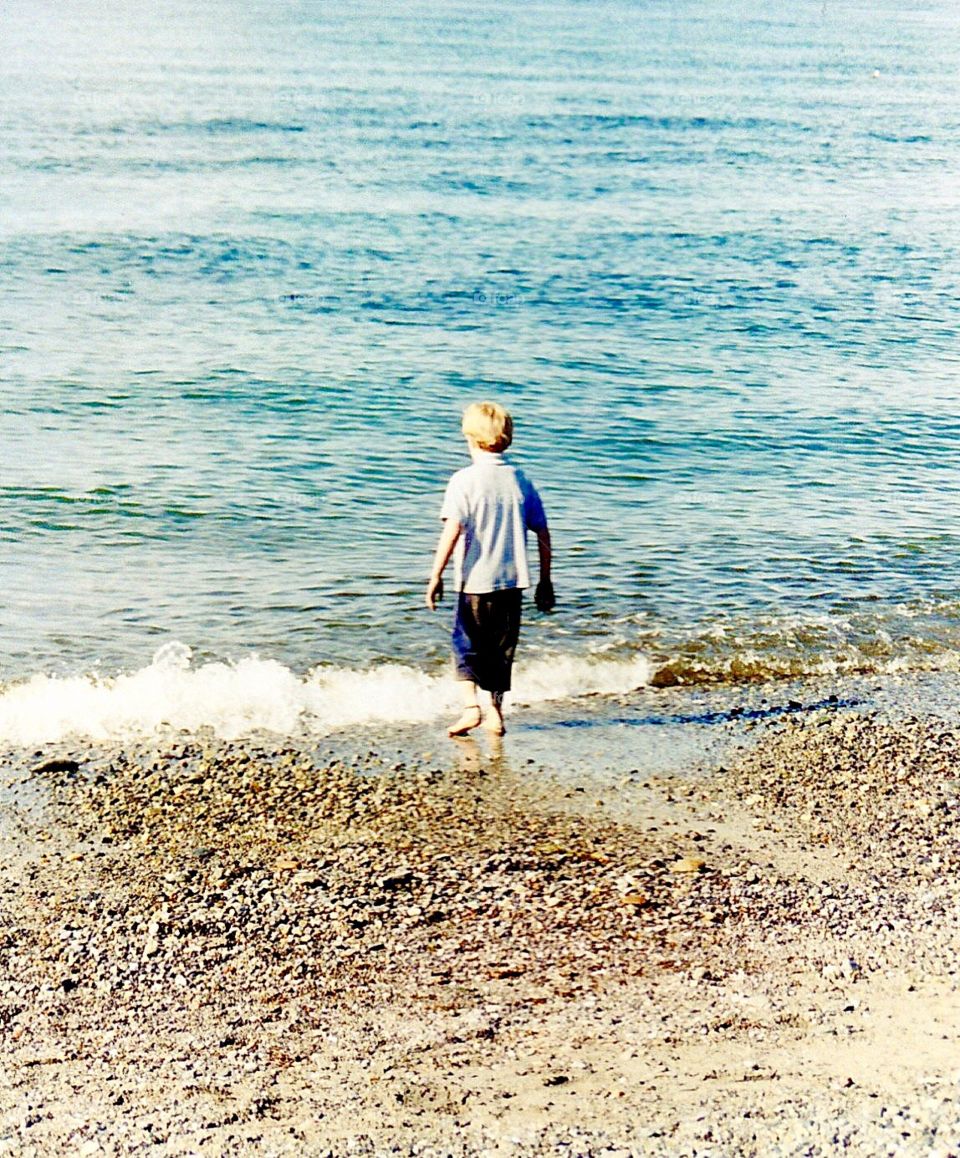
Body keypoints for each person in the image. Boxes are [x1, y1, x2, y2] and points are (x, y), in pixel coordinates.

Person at [426, 401, 554, 736]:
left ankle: (471, 708)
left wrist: (436, 575)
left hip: (474, 582)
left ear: (469, 438)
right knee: (501, 650)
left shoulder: (464, 480)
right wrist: (545, 580)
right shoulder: (520, 480)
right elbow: (542, 532)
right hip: (512, 583)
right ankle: (495, 713)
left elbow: (452, 530)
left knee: (466, 645)